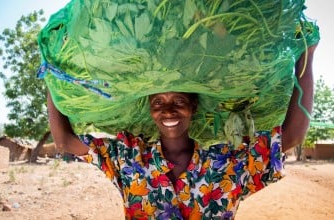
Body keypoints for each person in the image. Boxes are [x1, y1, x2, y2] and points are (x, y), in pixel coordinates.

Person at [47, 43, 317, 219]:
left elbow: (290, 137)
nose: (168, 112)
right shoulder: (127, 158)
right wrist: (51, 79)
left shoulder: (228, 162)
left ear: (193, 106)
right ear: (150, 110)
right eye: (158, 103)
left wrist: (306, 59)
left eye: (179, 101)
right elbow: (64, 142)